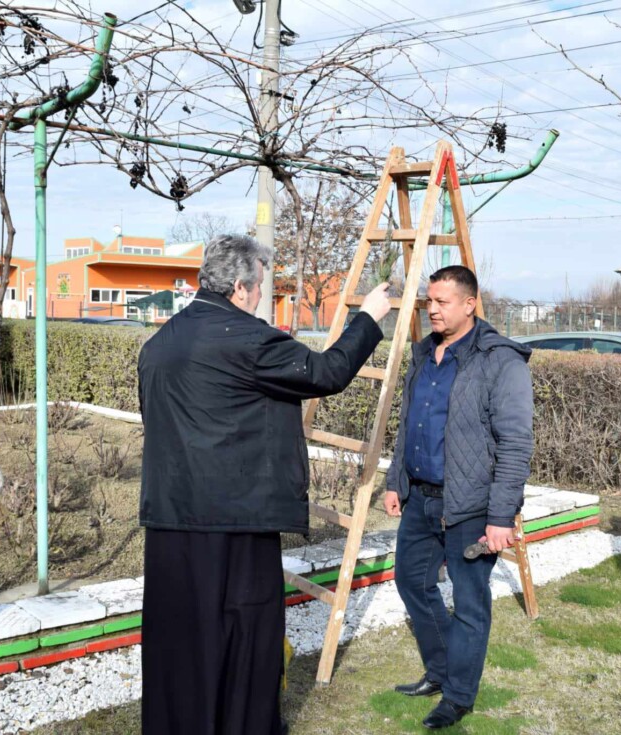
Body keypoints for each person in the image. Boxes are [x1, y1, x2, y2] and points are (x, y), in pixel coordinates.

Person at [137, 234, 392, 735]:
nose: (261, 299)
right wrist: (370, 317)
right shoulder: (248, 338)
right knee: (244, 638)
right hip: (234, 524)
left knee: (180, 642)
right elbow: (326, 372)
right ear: (239, 287)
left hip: (169, 521)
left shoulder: (159, 343)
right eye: (260, 289)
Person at [383, 265, 534, 730]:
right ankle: (443, 669)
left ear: (470, 304)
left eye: (442, 302)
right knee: (411, 582)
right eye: (430, 301)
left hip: (471, 506)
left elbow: (515, 442)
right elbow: (409, 423)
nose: (433, 309)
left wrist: (501, 515)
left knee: (470, 602)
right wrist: (395, 480)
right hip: (420, 498)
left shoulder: (500, 361)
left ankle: (459, 696)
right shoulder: (424, 354)